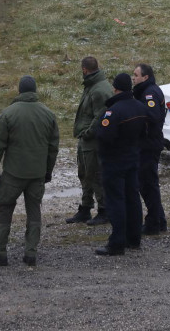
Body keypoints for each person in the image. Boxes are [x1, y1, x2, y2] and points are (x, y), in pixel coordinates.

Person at [0, 75, 59, 267]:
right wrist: (47, 171)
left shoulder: (8, 114)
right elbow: (53, 147)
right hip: (37, 174)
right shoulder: (48, 115)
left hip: (13, 174)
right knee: (34, 211)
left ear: (19, 91)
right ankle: (30, 253)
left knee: (4, 209)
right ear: (35, 91)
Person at [95, 73, 146, 256]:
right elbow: (144, 133)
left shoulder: (113, 111)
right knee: (133, 199)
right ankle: (134, 238)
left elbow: (104, 136)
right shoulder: (140, 107)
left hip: (114, 161)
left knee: (116, 201)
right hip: (132, 158)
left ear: (116, 88)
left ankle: (117, 243)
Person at [66, 56, 113, 226]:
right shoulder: (92, 86)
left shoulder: (99, 89)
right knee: (85, 174)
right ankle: (85, 208)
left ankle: (104, 210)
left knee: (95, 175)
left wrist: (87, 133)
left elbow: (100, 116)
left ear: (84, 69)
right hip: (86, 140)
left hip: (93, 141)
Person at [132, 63, 167, 235]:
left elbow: (152, 116)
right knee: (148, 185)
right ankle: (159, 220)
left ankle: (154, 223)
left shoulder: (149, 93)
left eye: (136, 75)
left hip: (148, 145)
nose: (134, 78)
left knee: (148, 185)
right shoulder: (146, 91)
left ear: (145, 77)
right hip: (147, 144)